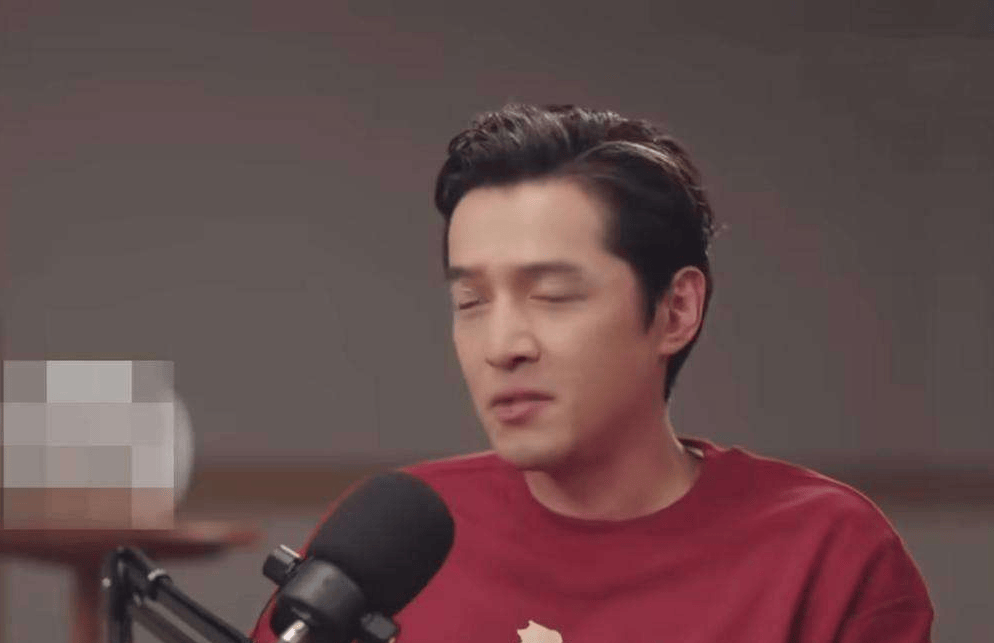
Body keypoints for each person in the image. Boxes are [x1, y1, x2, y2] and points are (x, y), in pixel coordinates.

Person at [250, 104, 934, 642]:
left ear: (675, 310)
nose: (502, 346)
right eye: (471, 302)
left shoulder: (826, 551)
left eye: (552, 295)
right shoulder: (384, 547)